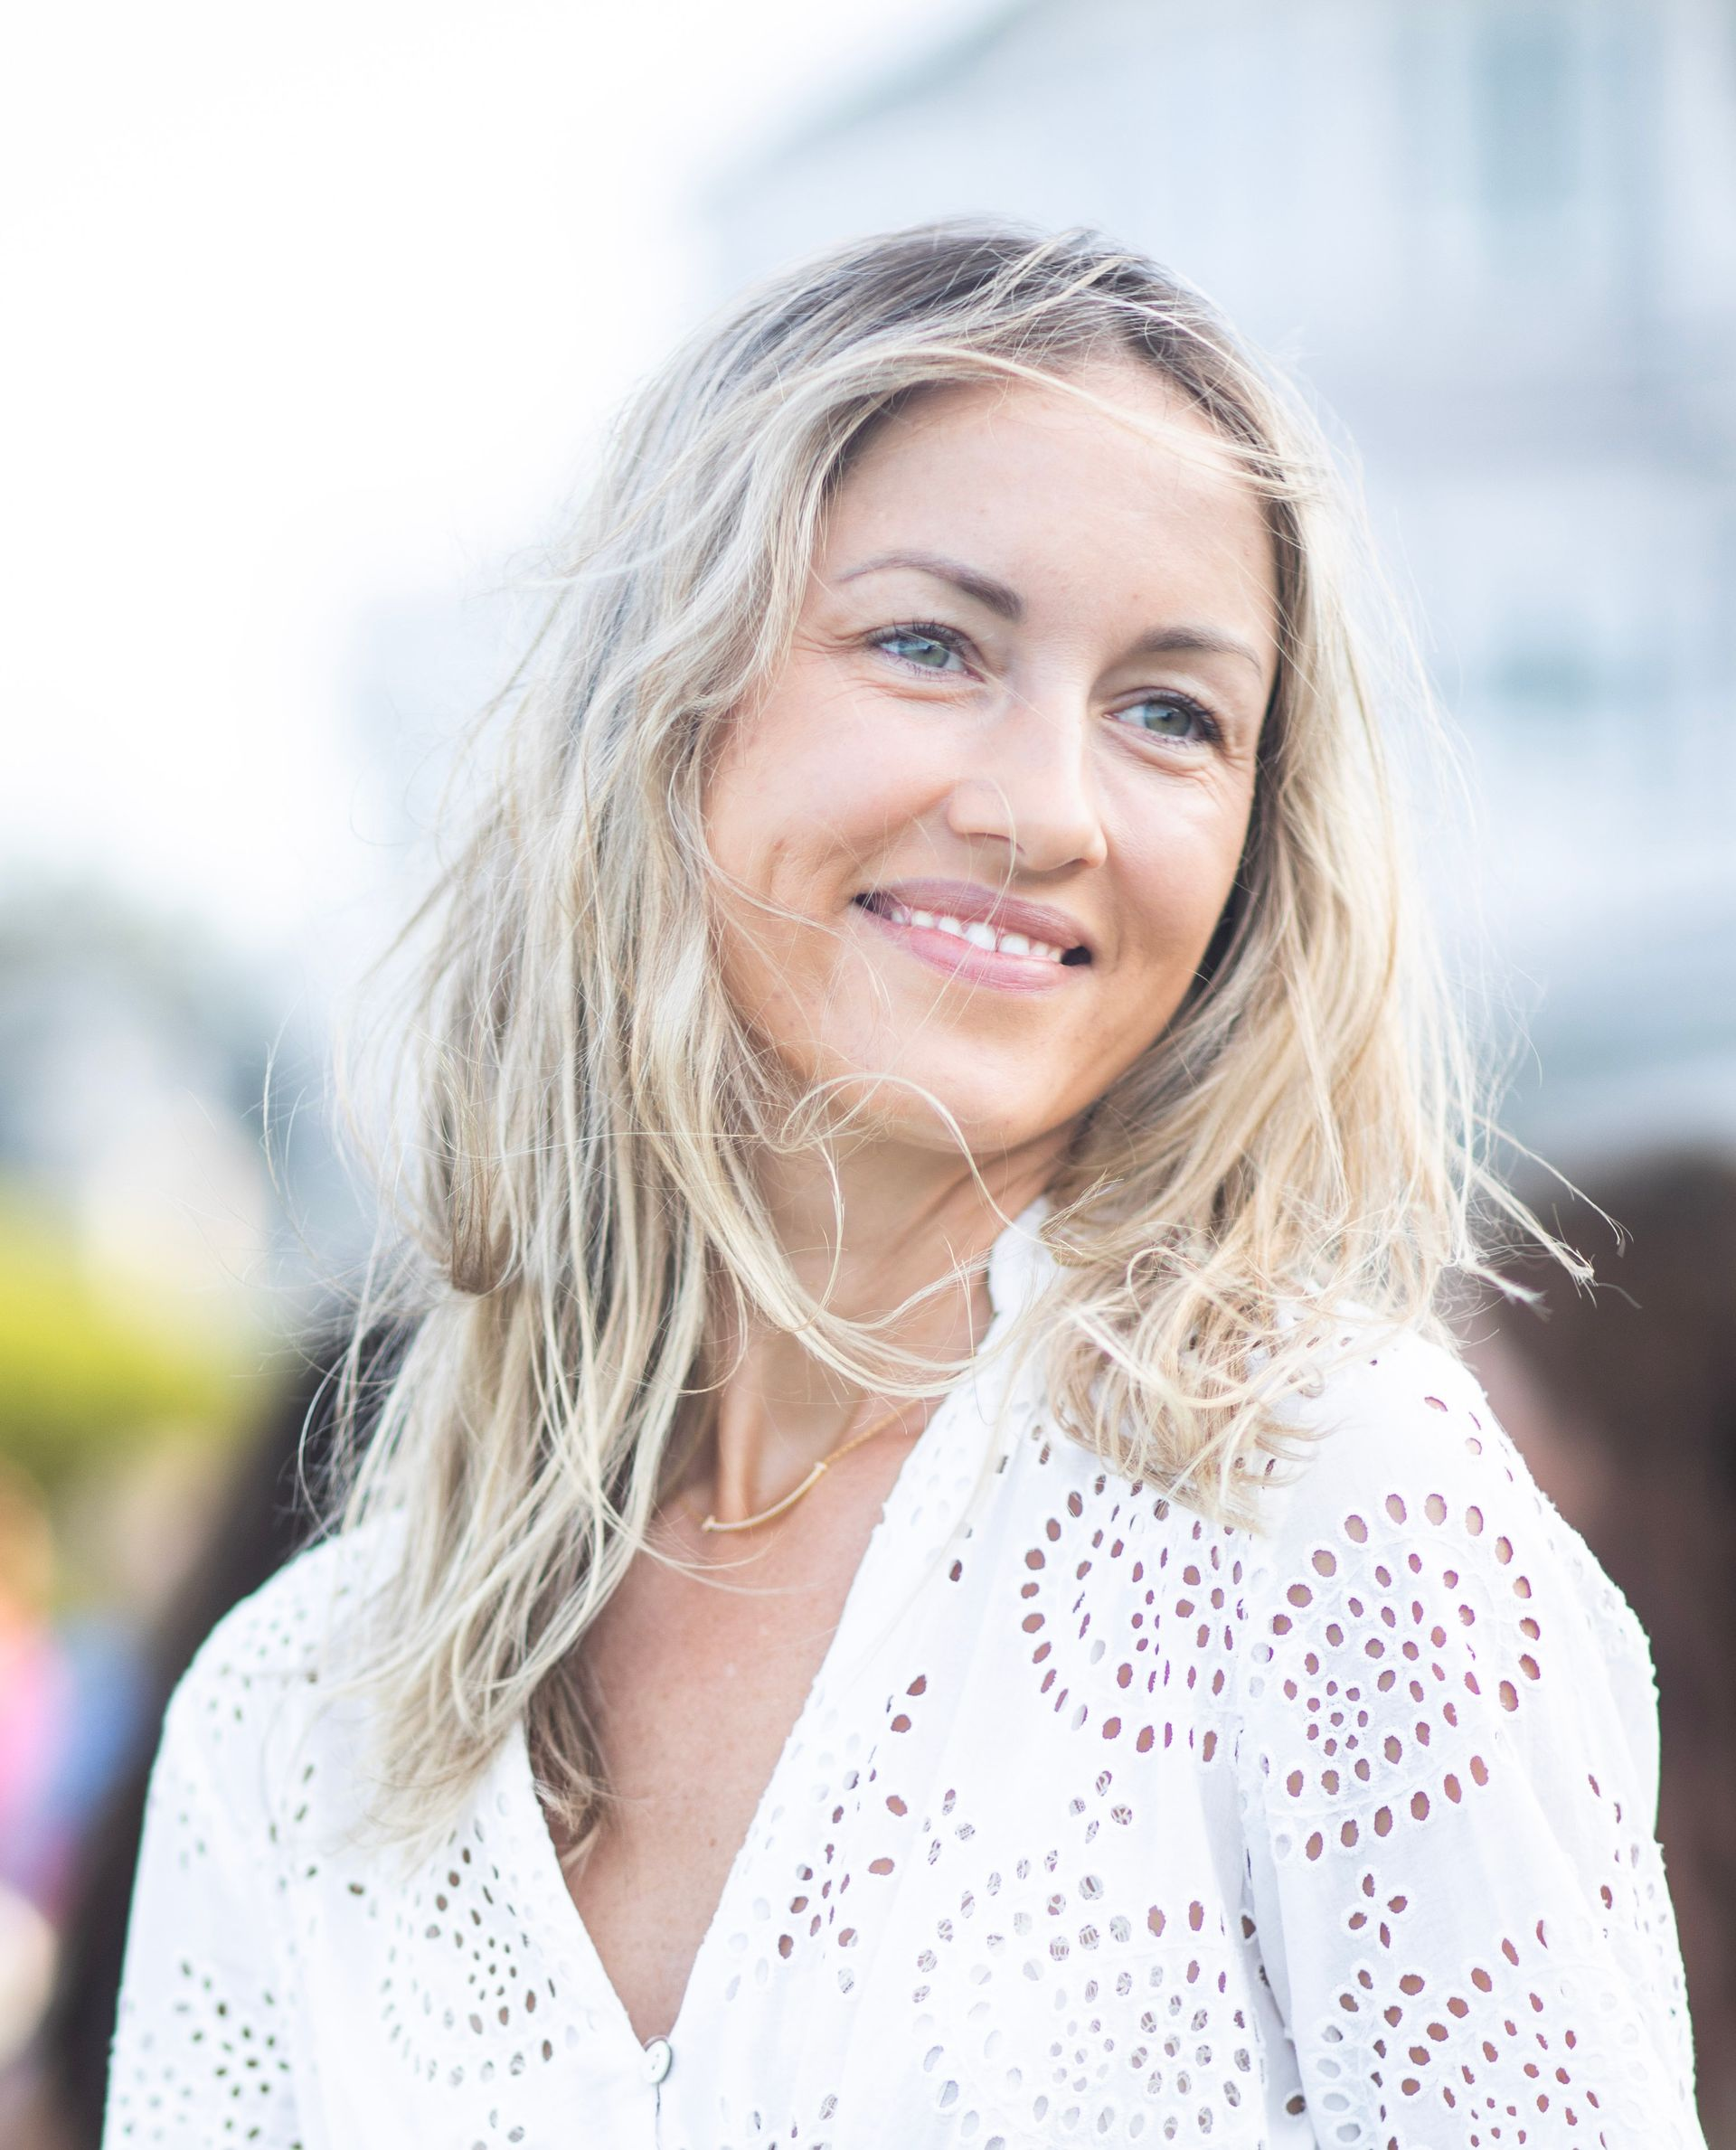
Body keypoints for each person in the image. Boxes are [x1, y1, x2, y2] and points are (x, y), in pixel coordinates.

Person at [100, 222, 1705, 2147]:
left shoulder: (1341, 1524)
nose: (1047, 807)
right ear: (666, 708)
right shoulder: (296, 1715)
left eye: (1172, 712)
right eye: (931, 644)